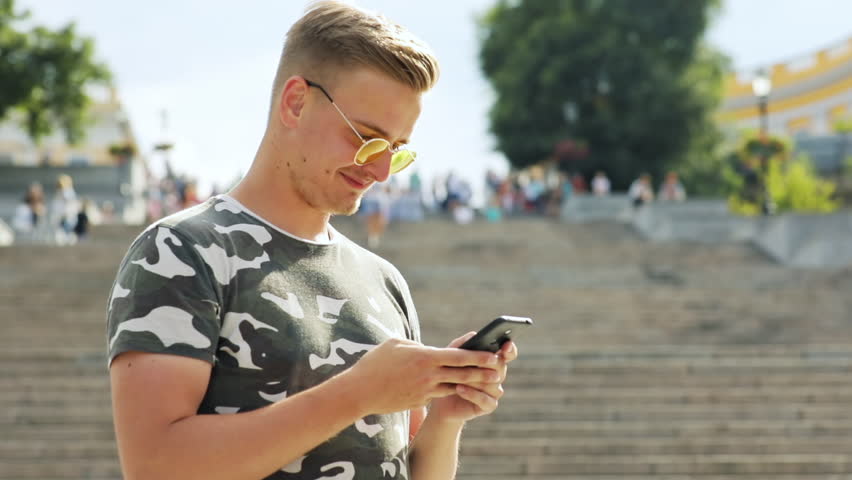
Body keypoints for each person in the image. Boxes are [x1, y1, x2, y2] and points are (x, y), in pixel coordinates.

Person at [106, 3, 518, 480]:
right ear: (296, 102)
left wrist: (446, 417)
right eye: (367, 138)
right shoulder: (181, 251)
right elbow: (155, 466)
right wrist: (358, 392)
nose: (381, 170)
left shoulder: (383, 280)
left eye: (398, 151)